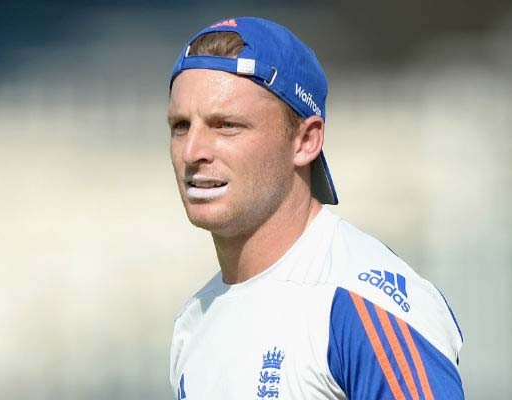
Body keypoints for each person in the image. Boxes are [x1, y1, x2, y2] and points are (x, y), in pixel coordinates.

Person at [167, 17, 464, 400]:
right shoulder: (193, 322)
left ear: (306, 141)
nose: (192, 151)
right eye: (180, 126)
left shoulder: (360, 306)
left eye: (226, 125)